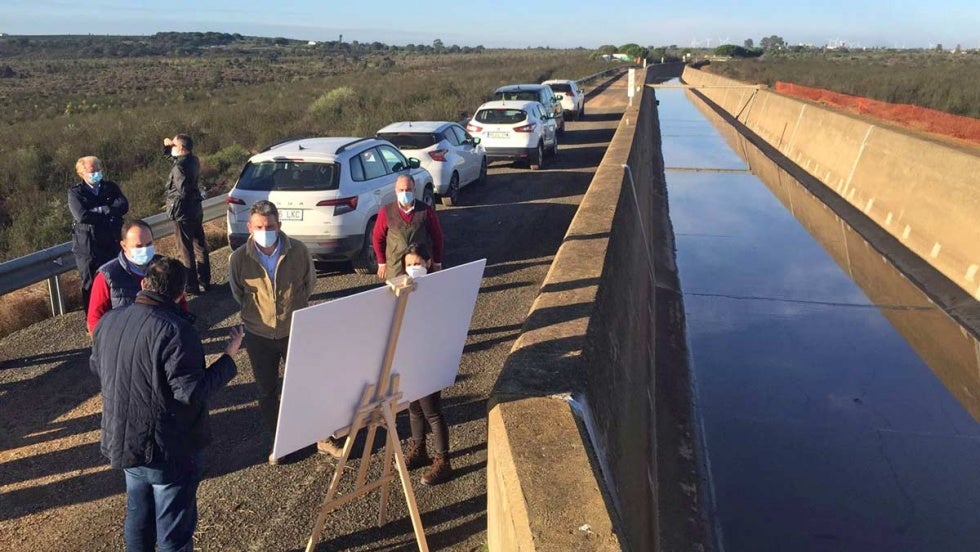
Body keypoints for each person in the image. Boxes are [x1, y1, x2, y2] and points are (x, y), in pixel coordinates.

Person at [90, 256, 242, 552]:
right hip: (168, 449)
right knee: (173, 533)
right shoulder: (176, 330)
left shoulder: (108, 322)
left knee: (138, 519)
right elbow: (191, 391)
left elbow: (98, 367)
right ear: (181, 293)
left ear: (144, 284)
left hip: (125, 441)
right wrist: (228, 357)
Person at [228, 200, 319, 463]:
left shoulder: (298, 251)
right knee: (266, 391)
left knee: (303, 385)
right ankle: (280, 442)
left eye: (269, 226)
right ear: (250, 227)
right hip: (259, 335)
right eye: (259, 227)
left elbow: (309, 284)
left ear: (279, 225)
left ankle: (313, 434)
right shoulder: (239, 259)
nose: (264, 231)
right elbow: (238, 293)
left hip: (293, 330)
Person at [399, 244, 454, 485]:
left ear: (428, 263)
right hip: (410, 356)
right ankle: (419, 449)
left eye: (417, 263)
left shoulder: (438, 289)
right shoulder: (404, 288)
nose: (413, 268)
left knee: (431, 411)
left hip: (430, 358)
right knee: (414, 408)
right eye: (409, 265)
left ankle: (444, 461)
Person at [87, 220, 189, 334]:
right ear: (124, 246)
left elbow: (181, 303)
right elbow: (94, 321)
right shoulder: (107, 276)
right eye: (139, 246)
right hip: (127, 339)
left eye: (149, 244)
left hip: (165, 335)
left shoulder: (165, 267)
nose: (145, 250)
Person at [68, 155, 129, 312]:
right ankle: (92, 319)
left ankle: (118, 314)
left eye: (98, 170)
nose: (96, 173)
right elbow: (82, 216)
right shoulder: (76, 193)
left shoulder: (110, 187)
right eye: (92, 171)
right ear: (81, 173)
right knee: (91, 284)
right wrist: (108, 212)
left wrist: (102, 210)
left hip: (112, 242)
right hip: (89, 247)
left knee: (116, 278)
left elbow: (123, 205)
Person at [372, 174, 444, 280]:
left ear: (414, 190)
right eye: (401, 190)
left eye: (408, 190)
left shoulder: (425, 211)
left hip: (420, 265)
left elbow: (437, 237)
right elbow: (377, 238)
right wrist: (381, 262)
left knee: (423, 289)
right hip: (395, 267)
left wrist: (437, 262)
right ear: (396, 191)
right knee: (397, 290)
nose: (405, 193)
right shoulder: (386, 212)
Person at [163, 134, 211, 295]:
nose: (172, 148)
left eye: (174, 145)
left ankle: (192, 285)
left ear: (181, 148)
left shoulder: (179, 167)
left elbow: (183, 190)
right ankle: (205, 279)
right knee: (200, 246)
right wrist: (168, 147)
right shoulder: (193, 160)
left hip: (183, 213)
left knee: (186, 250)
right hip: (195, 210)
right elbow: (175, 160)